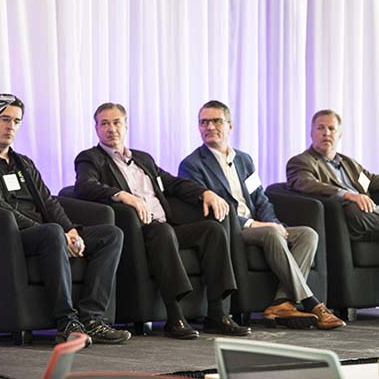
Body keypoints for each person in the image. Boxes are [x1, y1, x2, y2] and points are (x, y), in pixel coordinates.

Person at [74, 102, 250, 339]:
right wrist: (123, 195)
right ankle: (174, 315)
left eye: (116, 123)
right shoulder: (90, 158)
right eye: (104, 123)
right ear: (96, 128)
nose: (111, 129)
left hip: (167, 223)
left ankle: (217, 313)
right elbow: (85, 187)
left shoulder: (143, 159)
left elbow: (173, 183)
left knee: (212, 230)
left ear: (126, 126)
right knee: (163, 232)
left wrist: (204, 193)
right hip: (139, 229)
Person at [178, 100, 344, 330]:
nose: (209, 127)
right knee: (270, 234)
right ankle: (312, 302)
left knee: (308, 235)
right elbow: (207, 212)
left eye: (216, 121)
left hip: (260, 225)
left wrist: (274, 223)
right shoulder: (193, 165)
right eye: (203, 122)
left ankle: (281, 303)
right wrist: (256, 225)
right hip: (233, 229)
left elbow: (260, 198)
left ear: (230, 126)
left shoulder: (244, 160)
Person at [0, 97, 131, 345]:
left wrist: (71, 231)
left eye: (16, 121)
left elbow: (49, 201)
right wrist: (55, 232)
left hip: (48, 232)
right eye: (5, 119)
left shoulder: (23, 163)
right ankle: (66, 321)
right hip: (14, 236)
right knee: (51, 232)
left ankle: (92, 318)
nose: (11, 126)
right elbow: (0, 207)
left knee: (111, 235)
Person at [287, 109, 379, 312]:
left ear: (339, 135)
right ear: (311, 133)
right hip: (347, 223)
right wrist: (346, 194)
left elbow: (377, 181)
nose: (326, 132)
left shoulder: (349, 164)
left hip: (377, 226)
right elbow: (306, 184)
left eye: (332, 128)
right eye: (320, 128)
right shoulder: (301, 162)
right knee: (356, 208)